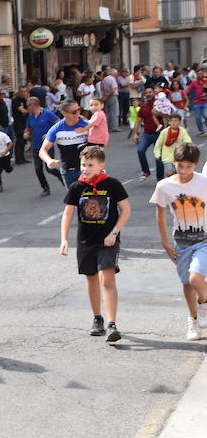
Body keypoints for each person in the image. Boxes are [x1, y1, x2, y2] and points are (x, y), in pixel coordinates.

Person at [59, 145, 129, 342]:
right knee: (91, 279)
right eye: (83, 165)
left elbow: (126, 210)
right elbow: (68, 214)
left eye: (90, 165)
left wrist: (114, 233)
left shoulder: (112, 184)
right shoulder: (77, 187)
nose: (86, 169)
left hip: (108, 240)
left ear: (101, 165)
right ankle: (97, 318)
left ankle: (112, 323)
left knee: (107, 279)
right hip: (85, 240)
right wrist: (64, 239)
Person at [151, 143, 207, 341]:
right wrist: (165, 243)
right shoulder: (164, 186)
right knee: (186, 283)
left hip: (204, 241)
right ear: (174, 163)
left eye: (189, 166)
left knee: (195, 279)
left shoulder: (204, 182)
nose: (183, 171)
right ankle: (193, 320)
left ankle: (204, 302)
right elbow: (160, 216)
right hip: (180, 243)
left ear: (196, 164)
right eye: (180, 166)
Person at [39, 100, 92, 189]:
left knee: (88, 199)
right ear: (64, 113)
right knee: (74, 201)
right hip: (67, 171)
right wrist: (49, 161)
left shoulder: (87, 125)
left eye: (79, 110)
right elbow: (42, 150)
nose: (78, 113)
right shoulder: (56, 129)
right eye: (74, 112)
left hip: (86, 169)